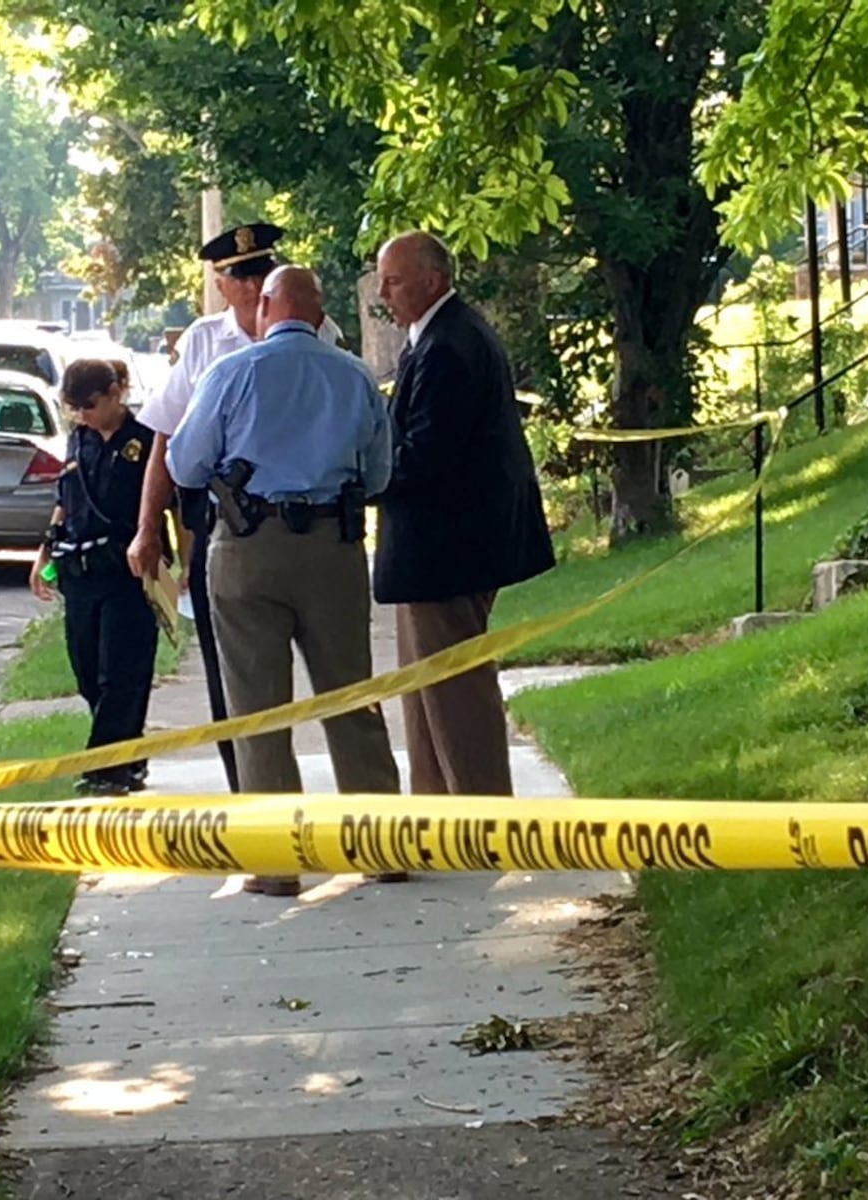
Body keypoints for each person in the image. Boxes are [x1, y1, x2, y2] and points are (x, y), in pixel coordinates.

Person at [167, 266, 400, 897]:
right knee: (351, 695)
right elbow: (379, 473)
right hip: (333, 546)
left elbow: (185, 464)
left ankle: (276, 865)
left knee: (257, 707)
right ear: (319, 312)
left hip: (248, 546)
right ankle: (381, 846)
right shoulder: (352, 375)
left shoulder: (230, 373)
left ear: (266, 305)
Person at [128, 223, 345, 794]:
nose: (250, 285)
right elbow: (166, 440)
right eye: (239, 276)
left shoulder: (322, 334)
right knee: (239, 686)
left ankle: (361, 819)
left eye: (259, 272)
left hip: (318, 522)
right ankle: (251, 806)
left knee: (342, 685)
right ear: (221, 285)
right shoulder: (205, 342)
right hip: (224, 523)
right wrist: (147, 528)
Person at [373, 231, 555, 801]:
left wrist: (359, 480)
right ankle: (435, 807)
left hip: (449, 548)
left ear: (434, 279)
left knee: (454, 685)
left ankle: (481, 812)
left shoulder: (451, 344)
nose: (383, 293)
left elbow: (428, 453)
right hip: (439, 544)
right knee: (424, 683)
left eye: (394, 280)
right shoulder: (434, 339)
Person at [30, 359, 159, 796]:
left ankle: (105, 768)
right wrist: (44, 557)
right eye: (73, 407)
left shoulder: (145, 441)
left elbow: (169, 505)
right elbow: (65, 503)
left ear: (114, 393)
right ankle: (129, 755)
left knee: (120, 673)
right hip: (79, 572)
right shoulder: (79, 441)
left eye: (89, 404)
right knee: (86, 669)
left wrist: (180, 564)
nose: (83, 414)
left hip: (126, 571)